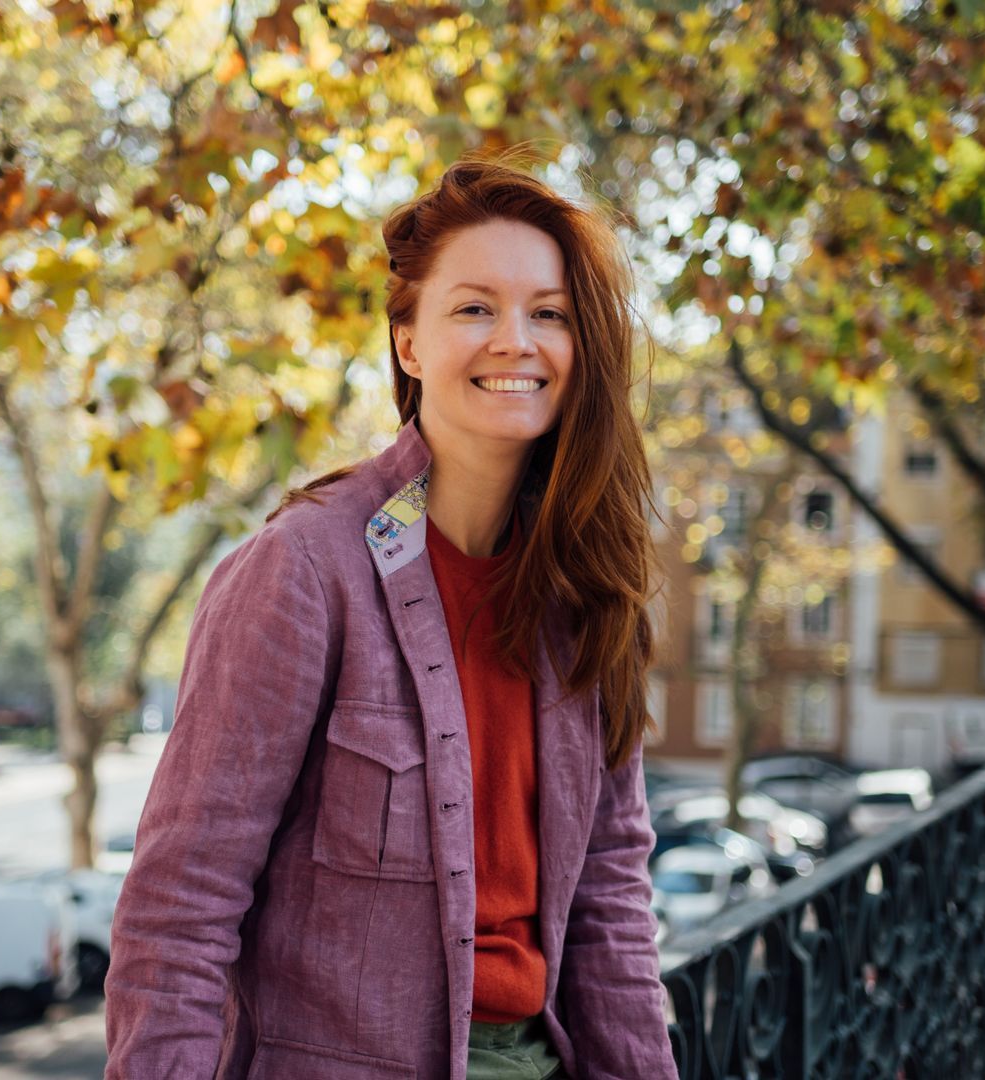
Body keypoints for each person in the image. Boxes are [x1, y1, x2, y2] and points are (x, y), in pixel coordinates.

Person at [104, 150, 678, 1080]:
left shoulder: (584, 592)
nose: (515, 340)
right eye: (474, 308)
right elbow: (181, 907)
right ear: (409, 344)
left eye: (548, 314)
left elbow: (611, 899)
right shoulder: (302, 572)